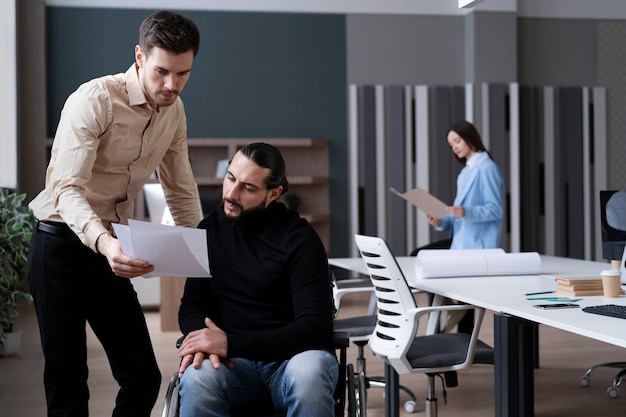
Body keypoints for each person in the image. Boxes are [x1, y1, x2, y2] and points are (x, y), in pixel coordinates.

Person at [27, 10, 203, 417]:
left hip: (111, 250)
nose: (171, 85)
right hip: (59, 246)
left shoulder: (174, 112)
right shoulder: (95, 100)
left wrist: (206, 256)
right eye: (162, 72)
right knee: (68, 383)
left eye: (182, 74)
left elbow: (180, 190)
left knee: (143, 377)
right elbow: (65, 189)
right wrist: (106, 243)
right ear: (139, 56)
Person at [177, 143, 338, 417]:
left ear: (273, 193)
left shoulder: (300, 239)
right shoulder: (208, 230)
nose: (231, 193)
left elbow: (314, 328)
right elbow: (192, 305)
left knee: (309, 373)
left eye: (248, 188)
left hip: (291, 361)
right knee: (197, 377)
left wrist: (229, 343)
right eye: (230, 178)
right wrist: (202, 340)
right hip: (232, 366)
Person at [427, 120, 505, 250]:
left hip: (479, 245)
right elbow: (457, 216)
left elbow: (495, 210)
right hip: (460, 244)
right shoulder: (464, 174)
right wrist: (440, 221)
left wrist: (466, 211)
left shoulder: (487, 168)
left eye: (457, 141)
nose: (454, 148)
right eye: (451, 145)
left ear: (470, 138)